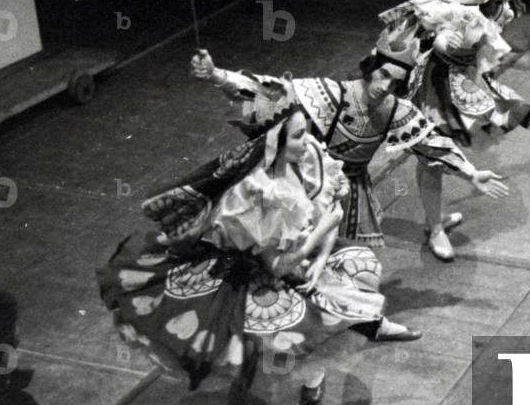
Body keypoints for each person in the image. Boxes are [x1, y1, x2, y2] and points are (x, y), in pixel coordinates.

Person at [97, 110, 409, 405]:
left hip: (282, 286)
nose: (308, 143)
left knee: (249, 383)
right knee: (259, 388)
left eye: (306, 134)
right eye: (298, 136)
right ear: (274, 142)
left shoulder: (302, 165)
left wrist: (320, 251)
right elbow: (278, 264)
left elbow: (327, 210)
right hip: (253, 295)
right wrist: (322, 230)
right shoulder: (257, 191)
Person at [189, 30, 509, 252]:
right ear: (371, 69)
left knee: (341, 257)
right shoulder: (331, 93)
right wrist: (217, 75)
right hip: (307, 182)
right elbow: (270, 91)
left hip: (349, 191)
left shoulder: (395, 111)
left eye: (394, 83)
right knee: (279, 247)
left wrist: (471, 173)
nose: (385, 87)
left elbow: (432, 143)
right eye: (383, 75)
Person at [379, 0, 530, 260]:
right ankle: (435, 228)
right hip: (437, 83)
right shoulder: (463, 13)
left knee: (438, 156)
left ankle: (433, 219)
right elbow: (437, 30)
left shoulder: (501, 10)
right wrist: (442, 40)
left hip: (464, 80)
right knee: (432, 157)